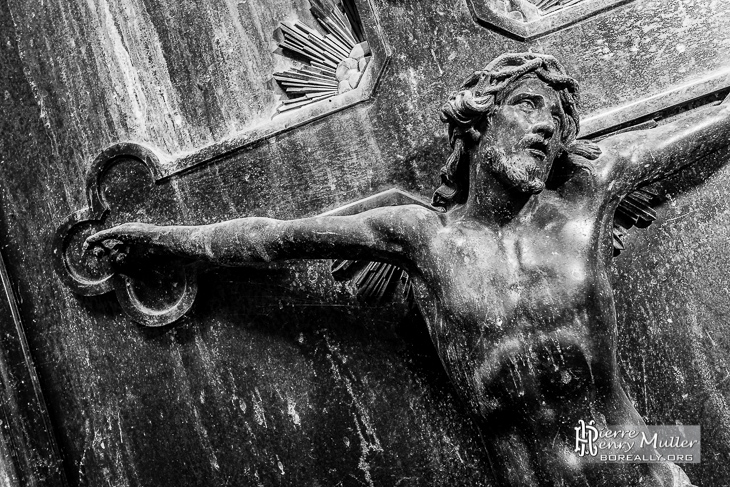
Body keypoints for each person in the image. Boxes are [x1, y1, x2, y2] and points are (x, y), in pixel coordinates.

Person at [86, 53, 729, 486]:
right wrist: (161, 239)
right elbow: (274, 239)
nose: (546, 130)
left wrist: (674, 451)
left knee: (676, 441)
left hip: (640, 473)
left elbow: (711, 136)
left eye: (559, 123)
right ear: (479, 119)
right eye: (529, 106)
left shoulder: (589, 197)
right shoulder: (420, 238)